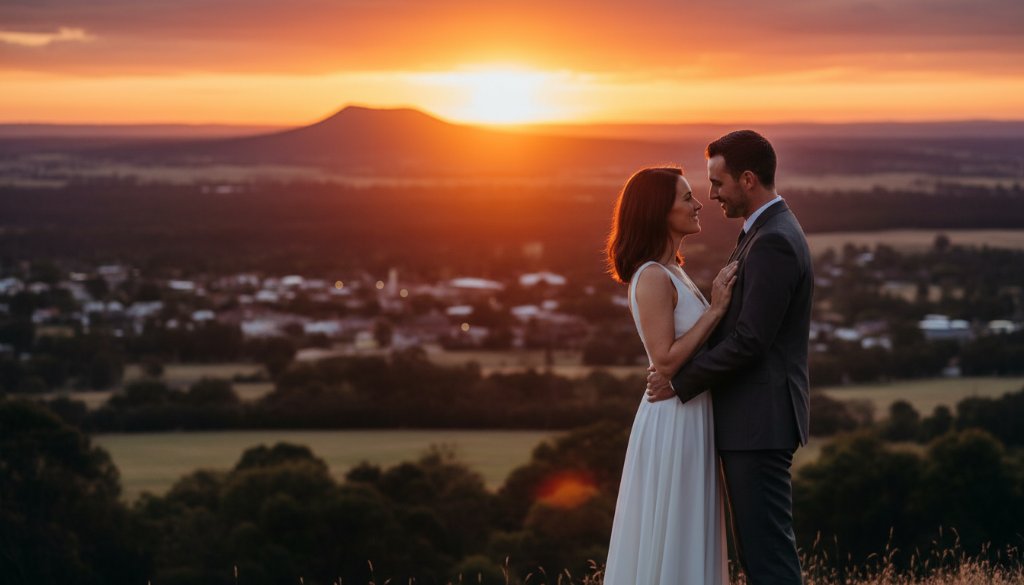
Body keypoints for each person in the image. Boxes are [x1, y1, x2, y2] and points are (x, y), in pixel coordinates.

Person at [646, 131, 813, 585]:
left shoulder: (773, 240)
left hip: (759, 423)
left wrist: (679, 382)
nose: (711, 194)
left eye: (718, 183)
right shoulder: (764, 231)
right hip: (754, 422)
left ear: (747, 179)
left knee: (768, 558)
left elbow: (750, 340)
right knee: (759, 554)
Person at [603, 166, 739, 585]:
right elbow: (664, 362)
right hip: (673, 418)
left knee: (686, 521)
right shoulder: (652, 277)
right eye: (686, 198)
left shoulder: (673, 271)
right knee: (674, 522)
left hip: (689, 411)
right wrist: (716, 310)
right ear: (658, 211)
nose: (699, 204)